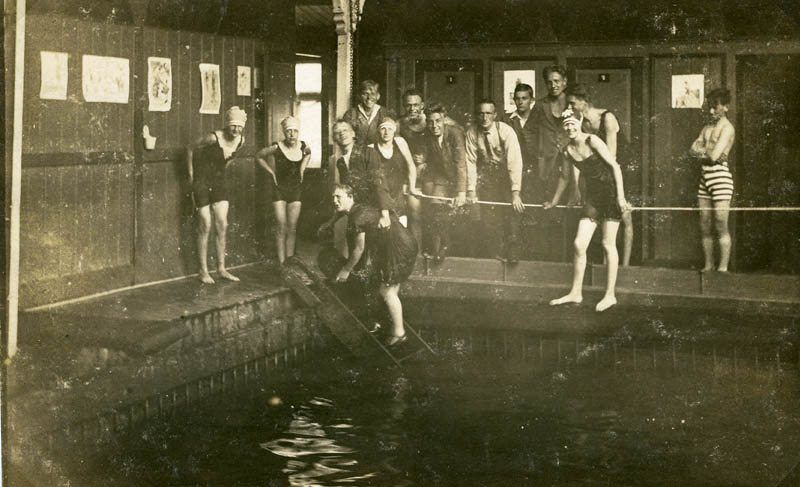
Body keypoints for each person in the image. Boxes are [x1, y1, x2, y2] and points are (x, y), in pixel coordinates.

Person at [544, 109, 629, 312]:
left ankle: (610, 295)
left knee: (608, 244)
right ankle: (576, 292)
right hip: (592, 197)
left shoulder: (592, 140)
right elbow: (564, 178)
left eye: (573, 123)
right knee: (579, 244)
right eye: (566, 125)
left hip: (610, 194)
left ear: (580, 122)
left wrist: (621, 197)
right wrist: (554, 201)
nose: (569, 128)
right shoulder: (567, 150)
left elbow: (615, 167)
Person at [324, 184, 419, 346]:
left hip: (398, 247)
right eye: (333, 197)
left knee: (387, 291)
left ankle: (399, 333)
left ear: (350, 197)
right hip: (405, 242)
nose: (334, 201)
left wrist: (346, 270)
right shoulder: (359, 209)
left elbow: (359, 248)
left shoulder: (357, 216)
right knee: (390, 289)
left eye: (338, 197)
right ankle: (392, 326)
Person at [567, 83, 634, 267]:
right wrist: (576, 187)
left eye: (573, 103)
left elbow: (612, 157)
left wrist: (615, 191)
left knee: (625, 216)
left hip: (620, 169)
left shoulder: (607, 118)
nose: (570, 107)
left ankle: (626, 266)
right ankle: (606, 264)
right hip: (601, 174)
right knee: (601, 219)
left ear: (584, 101)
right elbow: (579, 157)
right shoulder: (581, 124)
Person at [186, 106, 247, 284]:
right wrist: (191, 174)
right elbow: (189, 147)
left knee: (222, 224)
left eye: (239, 126)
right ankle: (203, 271)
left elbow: (230, 158)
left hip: (219, 182)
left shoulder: (241, 140)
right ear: (227, 124)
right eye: (233, 125)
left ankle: (221, 269)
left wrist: (221, 170)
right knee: (205, 224)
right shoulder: (213, 137)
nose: (236, 130)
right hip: (202, 181)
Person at [465, 99, 524, 262]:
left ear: (495, 115)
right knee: (490, 216)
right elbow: (470, 162)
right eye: (481, 114)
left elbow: (514, 162)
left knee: (512, 212)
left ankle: (512, 252)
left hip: (507, 175)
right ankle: (495, 254)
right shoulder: (472, 132)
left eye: (488, 113)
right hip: (487, 176)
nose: (484, 118)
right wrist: (471, 190)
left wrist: (515, 192)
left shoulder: (506, 131)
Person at [689, 88, 735, 272]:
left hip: (721, 179)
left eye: (715, 107)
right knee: (705, 225)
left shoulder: (727, 128)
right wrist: (708, 152)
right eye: (710, 107)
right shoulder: (706, 128)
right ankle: (708, 266)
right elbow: (692, 150)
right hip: (705, 179)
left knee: (720, 224)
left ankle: (722, 268)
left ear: (726, 107)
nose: (711, 111)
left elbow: (714, 157)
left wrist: (703, 151)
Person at [255, 116, 312, 265]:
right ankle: (282, 264)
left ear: (298, 132)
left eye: (295, 131)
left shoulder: (303, 146)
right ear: (284, 132)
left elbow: (309, 153)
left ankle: (289, 263)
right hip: (279, 189)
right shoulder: (276, 147)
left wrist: (302, 168)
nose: (292, 134)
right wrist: (271, 172)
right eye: (288, 131)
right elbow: (259, 156)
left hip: (296, 190)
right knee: (281, 226)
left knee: (292, 228)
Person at [421, 103, 467, 261]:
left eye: (437, 121)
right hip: (443, 178)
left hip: (463, 178)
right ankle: (443, 246)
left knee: (466, 215)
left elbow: (461, 164)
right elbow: (430, 162)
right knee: (436, 208)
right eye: (430, 122)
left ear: (444, 120)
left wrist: (461, 191)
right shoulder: (428, 135)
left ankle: (459, 250)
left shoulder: (455, 134)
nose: (434, 126)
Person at [319, 120, 372, 256]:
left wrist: (384, 213)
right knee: (354, 246)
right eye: (337, 132)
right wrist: (331, 221)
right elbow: (347, 195)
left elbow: (379, 183)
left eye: (345, 130)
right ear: (334, 138)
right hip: (356, 213)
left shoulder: (367, 152)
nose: (341, 134)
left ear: (353, 134)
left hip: (372, 212)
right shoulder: (341, 162)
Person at [365, 116, 420, 222]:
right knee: (384, 225)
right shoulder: (370, 148)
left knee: (401, 224)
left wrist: (412, 187)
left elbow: (411, 165)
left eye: (390, 129)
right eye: (383, 128)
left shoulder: (400, 142)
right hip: (380, 196)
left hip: (398, 193)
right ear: (378, 131)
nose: (386, 132)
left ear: (394, 130)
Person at [397, 88, 428, 250]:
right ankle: (414, 253)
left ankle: (424, 252)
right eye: (408, 105)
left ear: (422, 105)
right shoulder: (399, 125)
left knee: (428, 215)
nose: (412, 108)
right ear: (404, 106)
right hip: (406, 175)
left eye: (416, 105)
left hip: (429, 175)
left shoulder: (432, 121)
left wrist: (427, 159)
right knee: (412, 214)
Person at [343, 80, 393, 147]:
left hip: (379, 152)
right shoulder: (350, 114)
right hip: (357, 151)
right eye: (365, 94)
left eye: (373, 94)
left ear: (378, 96)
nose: (369, 97)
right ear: (360, 96)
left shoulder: (385, 113)